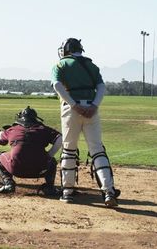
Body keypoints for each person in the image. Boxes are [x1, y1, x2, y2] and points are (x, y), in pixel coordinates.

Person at [51, 38, 120, 207]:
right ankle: (108, 191)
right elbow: (102, 87)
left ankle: (67, 191)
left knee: (69, 150)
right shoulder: (92, 65)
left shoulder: (60, 65)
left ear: (66, 49)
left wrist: (73, 105)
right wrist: (94, 105)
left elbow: (57, 86)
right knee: (97, 150)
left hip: (70, 111)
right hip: (92, 110)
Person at [0, 106, 62, 195]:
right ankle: (49, 188)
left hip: (16, 169)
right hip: (40, 169)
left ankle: (8, 184)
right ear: (35, 119)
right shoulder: (44, 129)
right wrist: (49, 155)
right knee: (51, 161)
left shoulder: (12, 130)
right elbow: (60, 138)